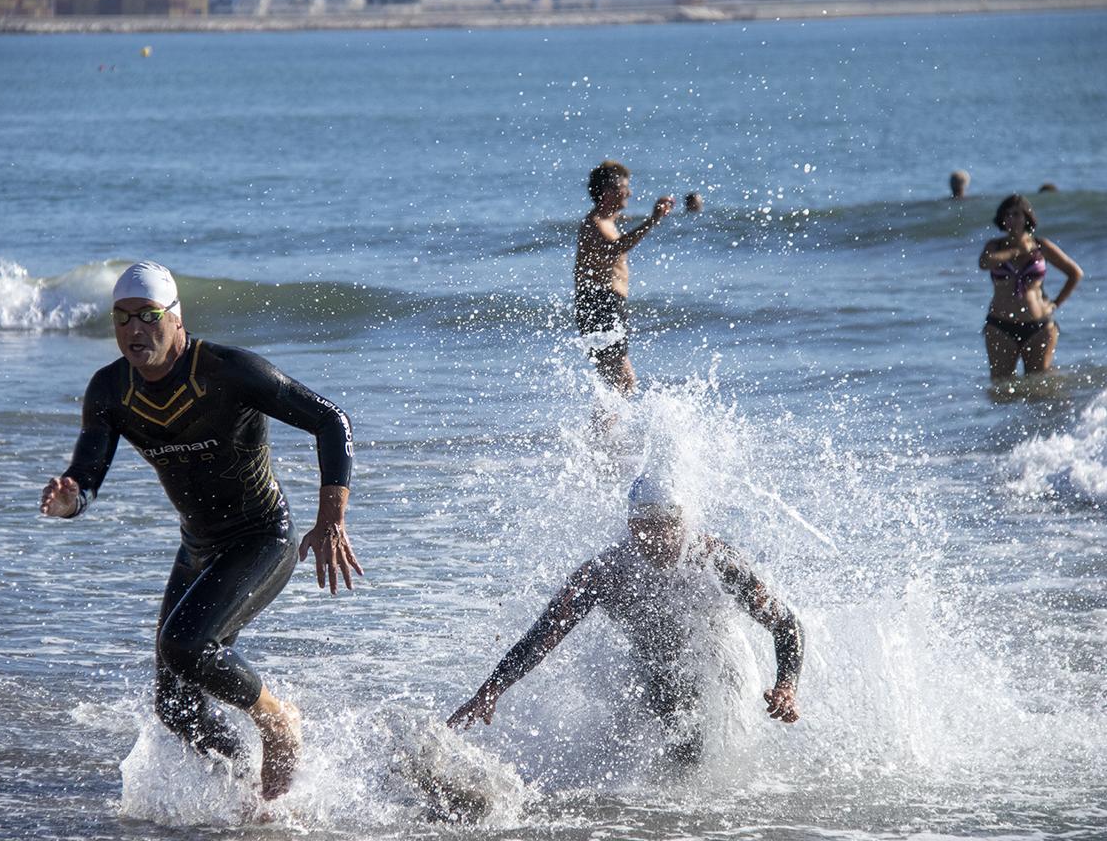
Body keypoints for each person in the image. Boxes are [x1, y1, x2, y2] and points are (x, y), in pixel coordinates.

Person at [39, 261, 360, 800]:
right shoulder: (111, 390)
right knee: (176, 708)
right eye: (122, 319)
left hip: (262, 538)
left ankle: (278, 720)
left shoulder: (226, 372)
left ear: (176, 318)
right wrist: (71, 499)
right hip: (199, 547)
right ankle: (248, 793)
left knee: (185, 643)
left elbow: (332, 420)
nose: (134, 330)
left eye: (148, 316)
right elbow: (87, 475)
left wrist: (331, 519)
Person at [448, 475, 804, 765]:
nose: (659, 540)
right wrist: (489, 692)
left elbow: (787, 624)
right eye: (646, 529)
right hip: (656, 666)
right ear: (631, 526)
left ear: (685, 521)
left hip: (723, 662)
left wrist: (786, 686)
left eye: (669, 526)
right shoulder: (605, 574)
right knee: (667, 759)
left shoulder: (717, 562)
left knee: (711, 755)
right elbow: (544, 635)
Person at [574, 161, 675, 395]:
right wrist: (652, 220)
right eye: (624, 187)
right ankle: (600, 432)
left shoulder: (608, 219)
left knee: (622, 383)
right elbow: (616, 248)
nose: (629, 193)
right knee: (618, 381)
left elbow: (621, 229)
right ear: (608, 192)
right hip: (598, 304)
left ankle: (602, 432)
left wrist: (657, 212)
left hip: (605, 303)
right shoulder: (595, 224)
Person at [979, 194, 1083, 380]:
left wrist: (1055, 304)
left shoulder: (1041, 246)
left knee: (1038, 387)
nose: (1011, 219)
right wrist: (1017, 251)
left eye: (1017, 214)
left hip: (1039, 326)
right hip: (1000, 326)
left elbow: (1075, 273)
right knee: (1001, 388)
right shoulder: (995, 246)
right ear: (1001, 219)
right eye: (1007, 215)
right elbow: (985, 262)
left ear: (1027, 217)